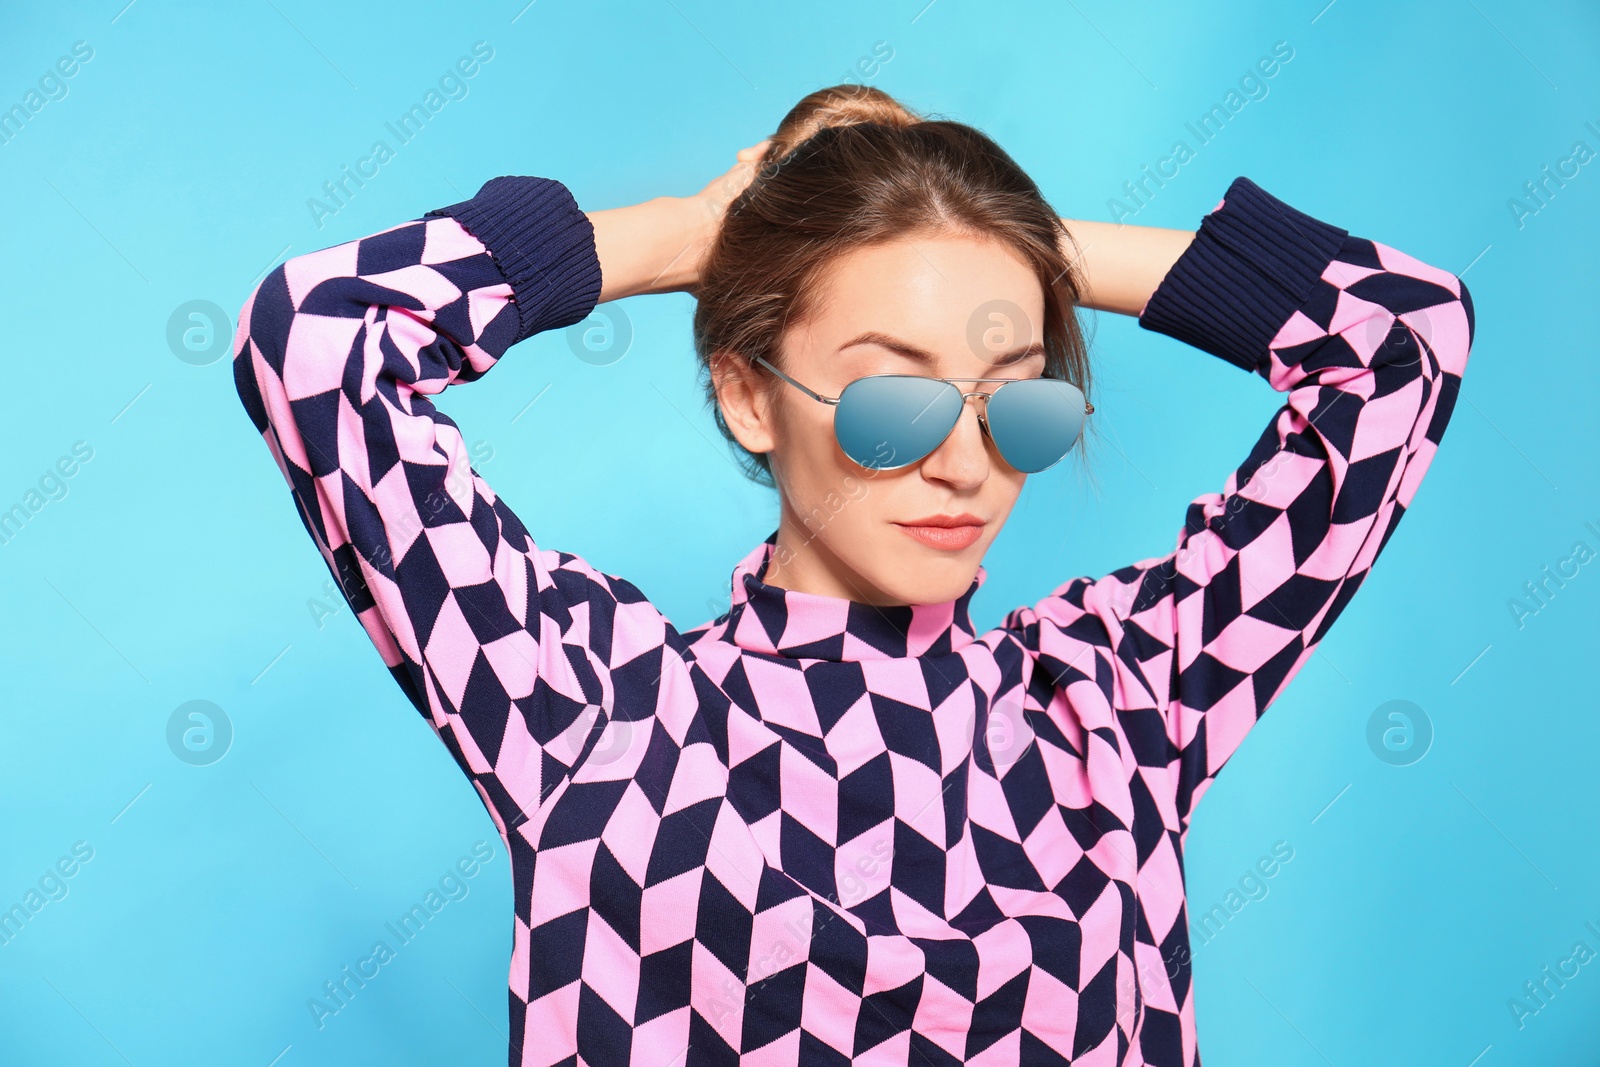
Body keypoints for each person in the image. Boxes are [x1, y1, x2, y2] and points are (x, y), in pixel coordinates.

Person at [232, 84, 1474, 1066]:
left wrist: (1005, 234)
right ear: (745, 389)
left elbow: (1401, 340)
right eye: (896, 398)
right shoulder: (588, 706)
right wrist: (688, 235)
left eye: (1017, 403)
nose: (964, 465)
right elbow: (320, 339)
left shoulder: (1123, 701)